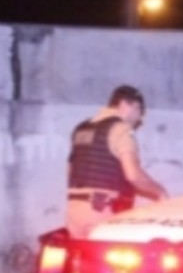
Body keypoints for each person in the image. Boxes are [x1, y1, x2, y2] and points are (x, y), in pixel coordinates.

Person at [66, 85, 169, 238]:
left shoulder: (81, 128)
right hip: (102, 211)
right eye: (139, 112)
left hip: (74, 210)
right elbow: (133, 175)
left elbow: (70, 171)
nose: (139, 119)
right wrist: (159, 192)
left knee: (83, 261)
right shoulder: (121, 129)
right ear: (131, 105)